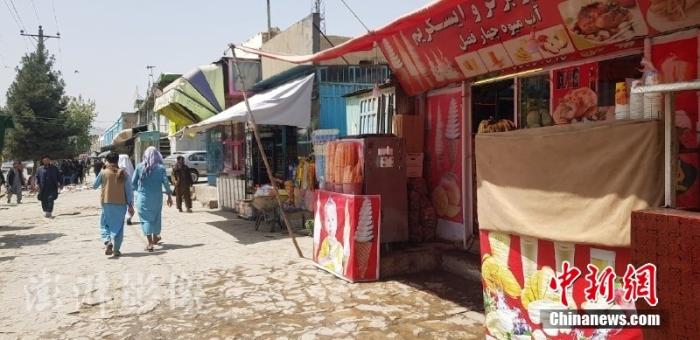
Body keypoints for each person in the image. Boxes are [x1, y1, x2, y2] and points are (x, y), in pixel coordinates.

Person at [132, 147, 172, 252]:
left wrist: (139, 191)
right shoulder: (161, 168)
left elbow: (133, 183)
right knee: (156, 217)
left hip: (143, 198)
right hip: (157, 198)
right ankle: (156, 237)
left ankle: (150, 243)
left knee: (145, 219)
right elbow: (166, 184)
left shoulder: (139, 167)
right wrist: (169, 196)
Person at [93, 153, 134, 257]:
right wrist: (130, 205)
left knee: (105, 224)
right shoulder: (124, 173)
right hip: (121, 204)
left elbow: (94, 185)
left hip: (106, 203)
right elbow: (129, 190)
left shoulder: (104, 172)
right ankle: (116, 250)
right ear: (117, 161)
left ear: (107, 160)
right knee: (119, 227)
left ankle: (107, 241)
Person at [118, 154, 136, 225]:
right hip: (129, 190)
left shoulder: (117, 170)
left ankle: (124, 217)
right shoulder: (130, 169)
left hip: (119, 191)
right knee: (129, 202)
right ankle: (128, 217)